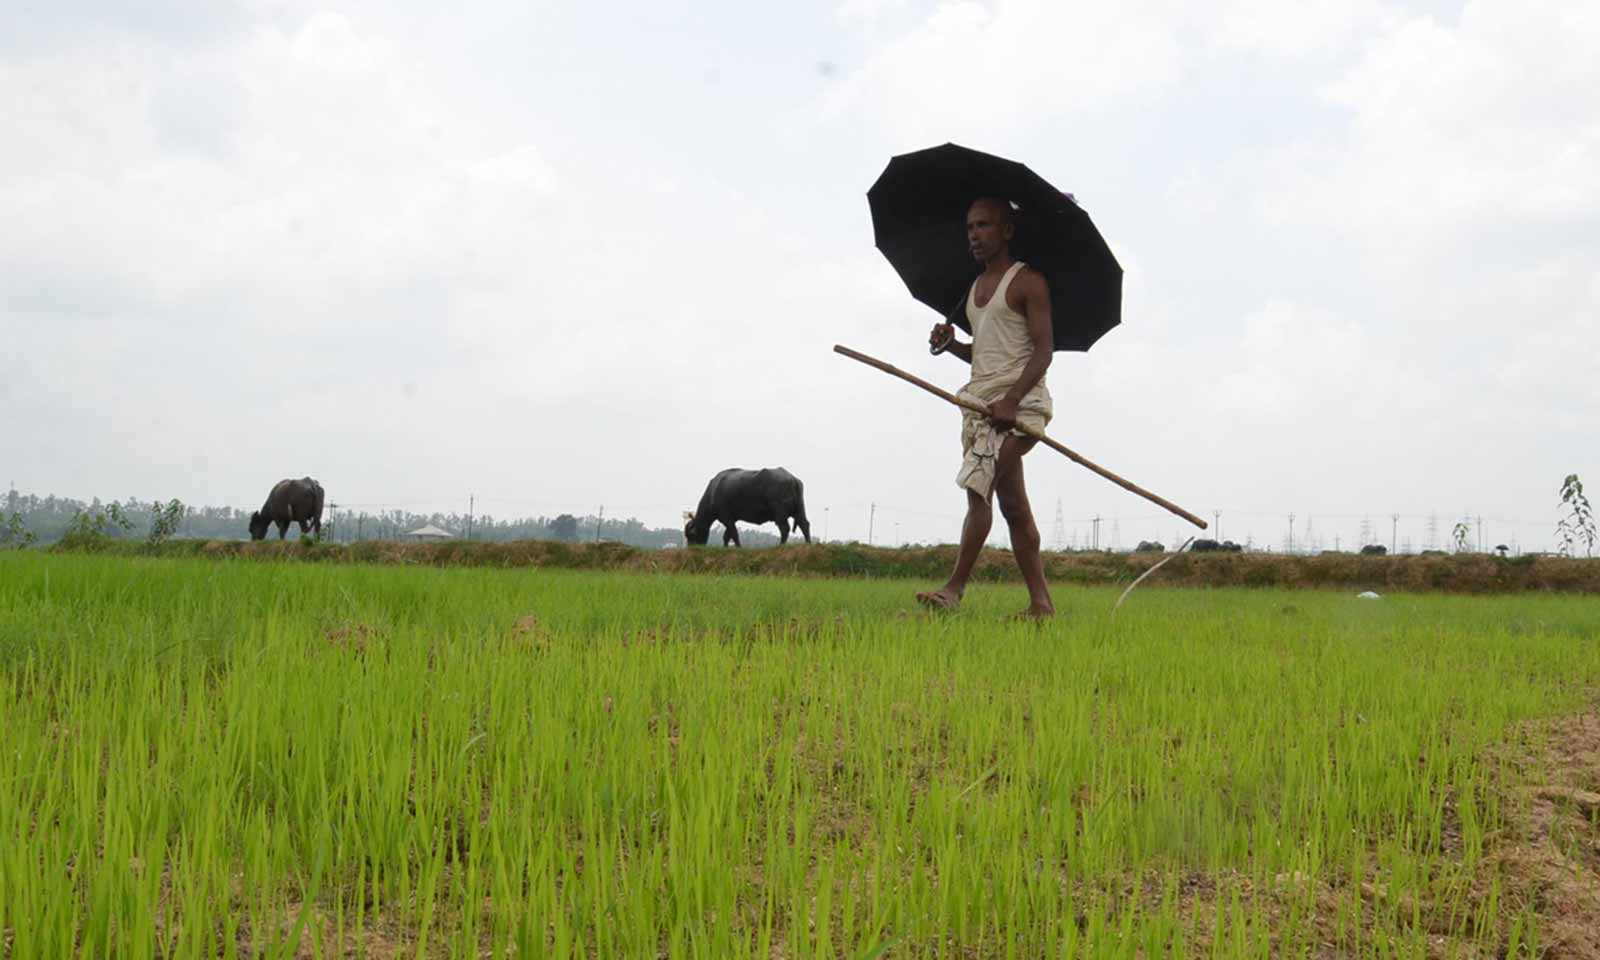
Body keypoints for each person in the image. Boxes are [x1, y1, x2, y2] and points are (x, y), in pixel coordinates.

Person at [916, 197, 1056, 618]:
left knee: (979, 488)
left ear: (1007, 230)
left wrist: (1012, 401)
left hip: (1019, 410)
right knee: (1013, 506)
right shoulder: (973, 291)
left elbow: (1044, 350)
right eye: (970, 227)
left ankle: (953, 589)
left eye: (985, 226)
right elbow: (988, 357)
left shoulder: (1028, 282)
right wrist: (953, 345)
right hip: (982, 408)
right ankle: (1041, 605)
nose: (975, 235)